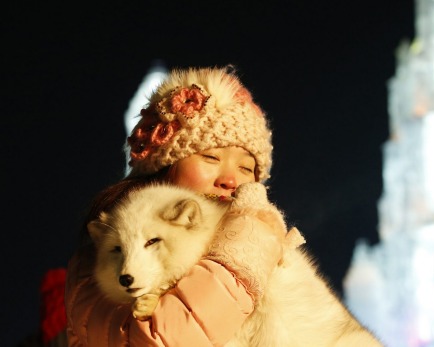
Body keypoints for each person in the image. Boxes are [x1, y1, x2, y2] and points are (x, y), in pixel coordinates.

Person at [65, 66, 289, 346]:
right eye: (210, 157)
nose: (231, 180)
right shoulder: (109, 250)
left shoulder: (268, 248)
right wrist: (244, 250)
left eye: (246, 167)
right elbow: (153, 339)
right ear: (164, 165)